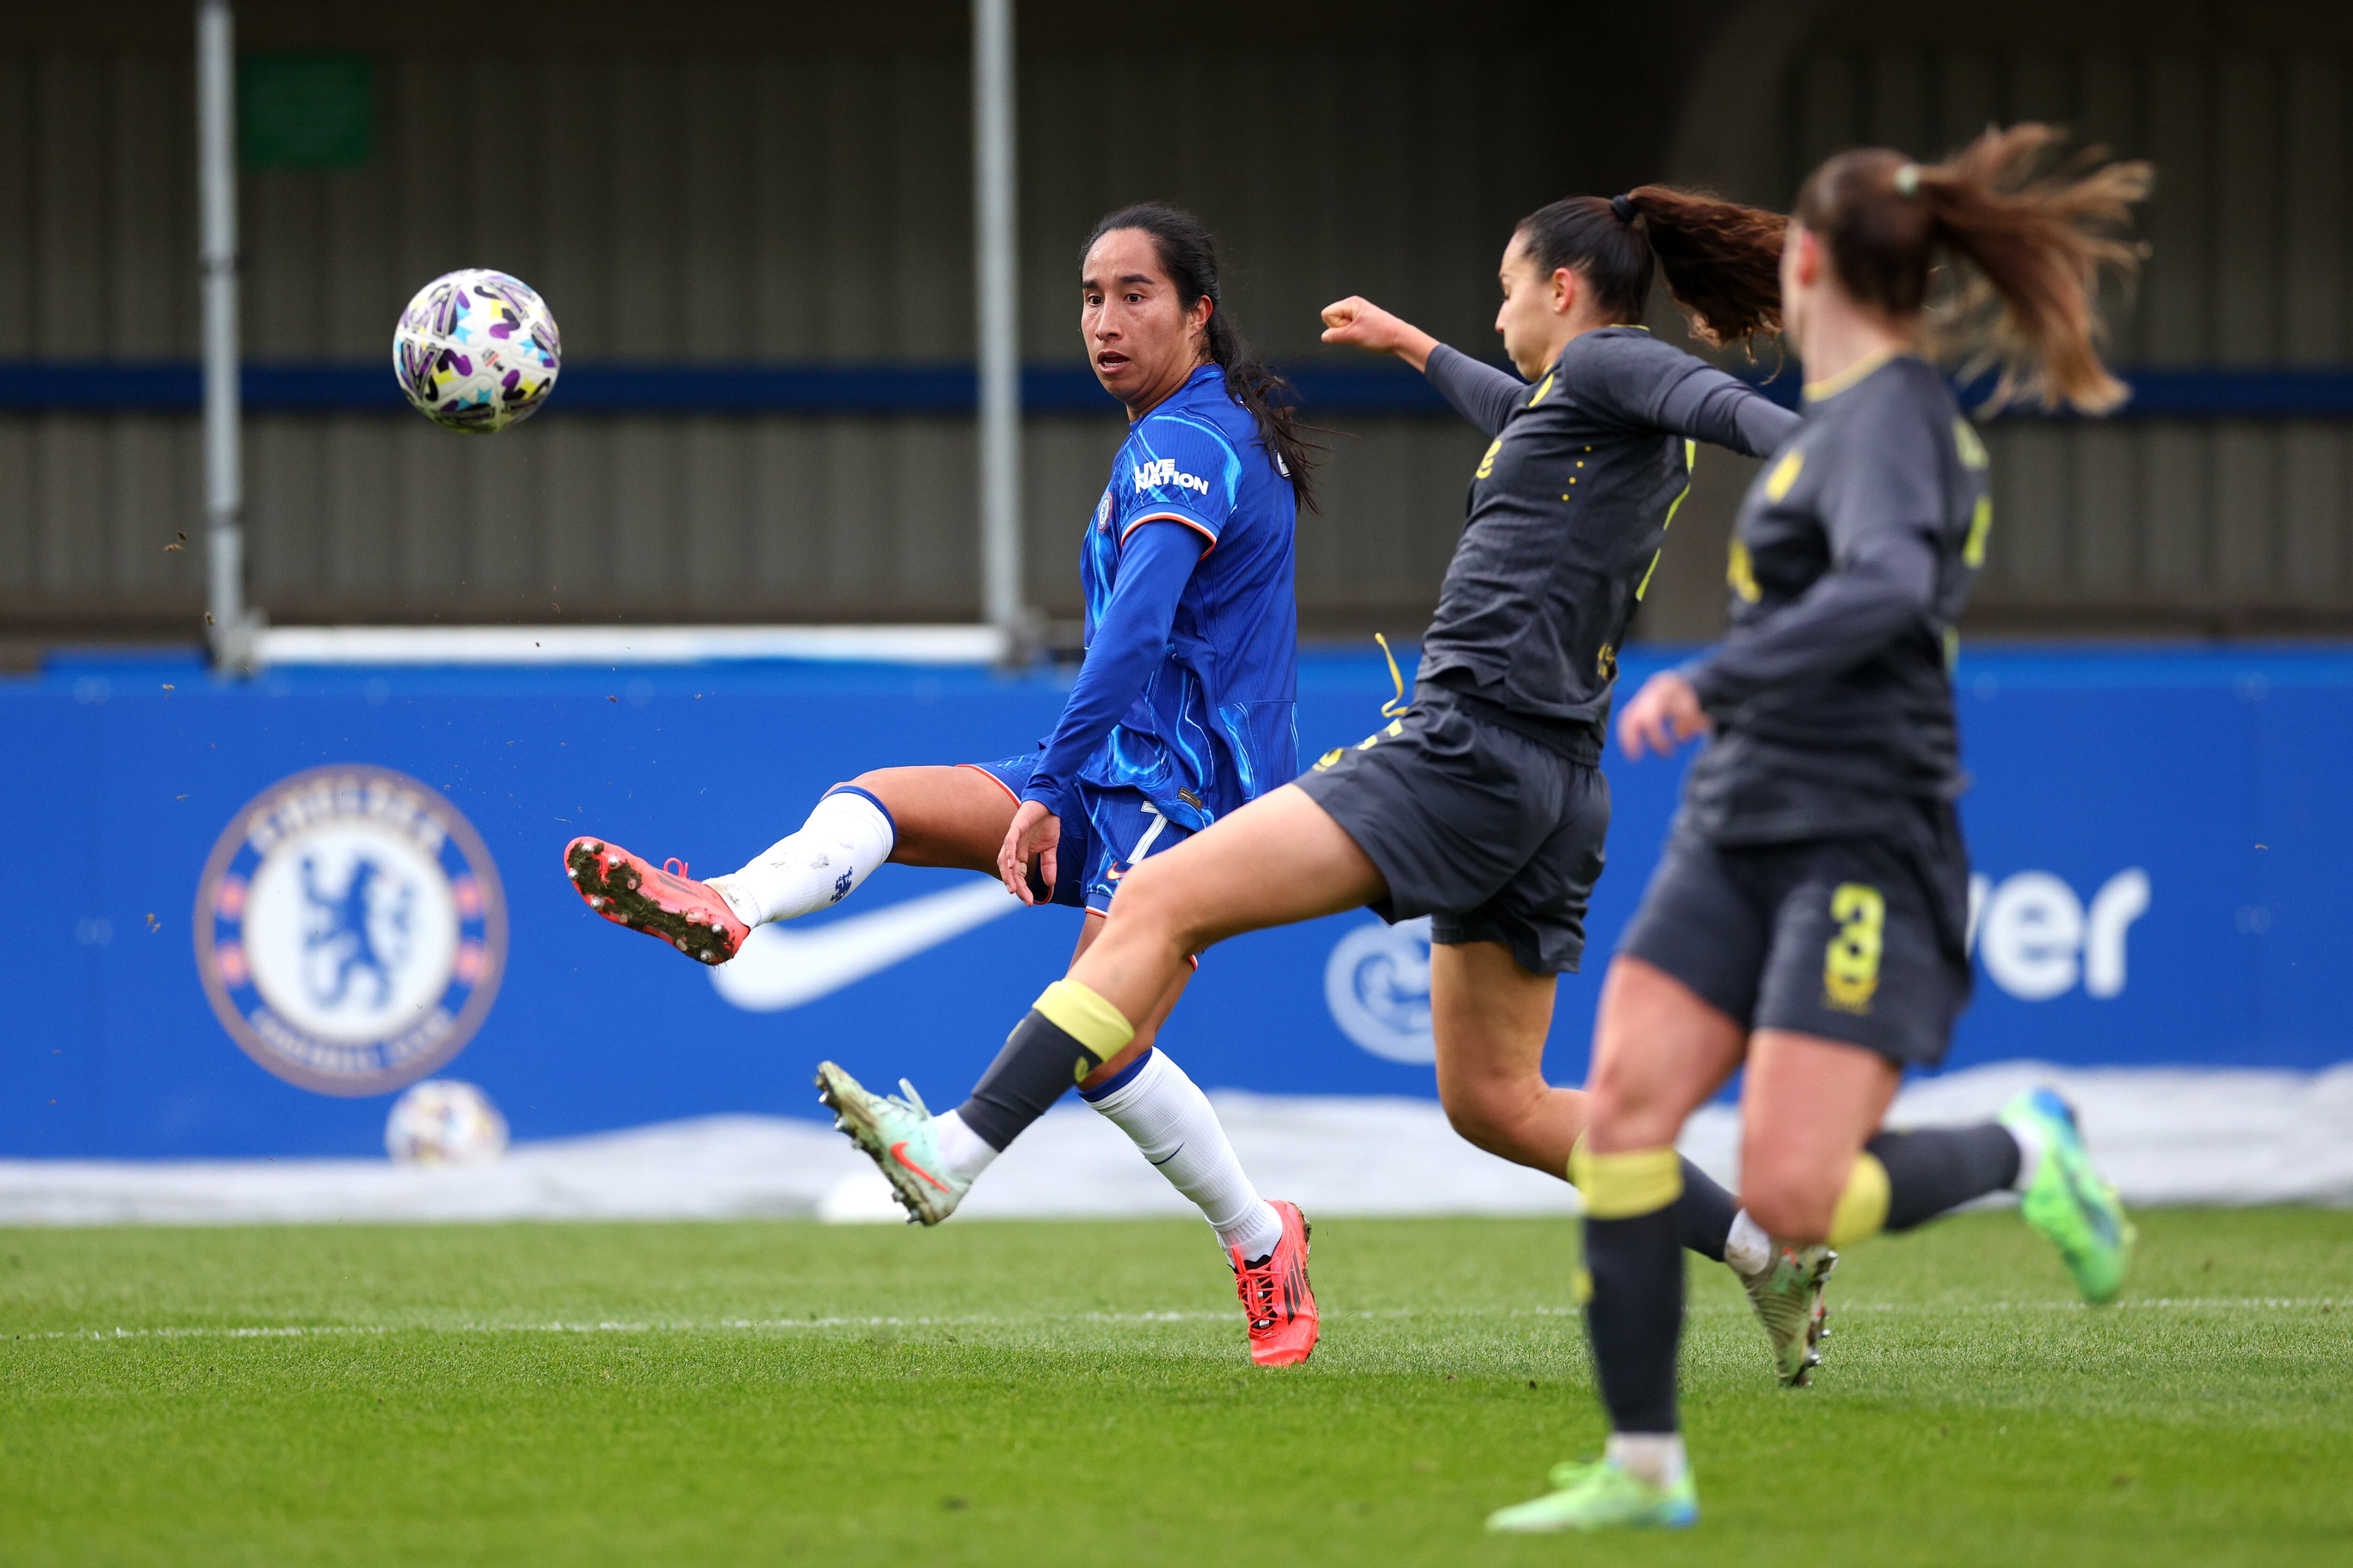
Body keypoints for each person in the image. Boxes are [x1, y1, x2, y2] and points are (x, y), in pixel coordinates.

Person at [874, 183, 1859, 1381]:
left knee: (1155, 900)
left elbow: (1711, 402)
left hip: (1462, 749)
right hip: (1554, 788)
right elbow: (1519, 403)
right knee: (1498, 1102)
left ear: (1560, 291)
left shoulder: (1613, 369)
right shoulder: (1578, 414)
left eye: (1504, 291)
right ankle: (1766, 1250)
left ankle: (956, 1152)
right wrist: (1415, 345)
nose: (1497, 318)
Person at [1486, 125, 2151, 1535]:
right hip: (1738, 827)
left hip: (1863, 830)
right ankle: (1645, 1466)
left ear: (1807, 260)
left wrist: (1726, 676)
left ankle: (2029, 1145)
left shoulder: (1898, 419)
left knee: (1797, 1192)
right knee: (1626, 1116)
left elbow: (1895, 586)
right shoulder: (1838, 425)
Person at [565, 203, 1327, 1366]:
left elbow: (1131, 638)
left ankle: (1255, 1232)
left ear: (1198, 313)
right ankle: (730, 901)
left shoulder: (1187, 444)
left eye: (1135, 295)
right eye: (1090, 296)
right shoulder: (1193, 433)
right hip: (1120, 766)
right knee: (884, 798)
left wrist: (1050, 781)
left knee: (1100, 1042)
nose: (1106, 321)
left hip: (1186, 797)